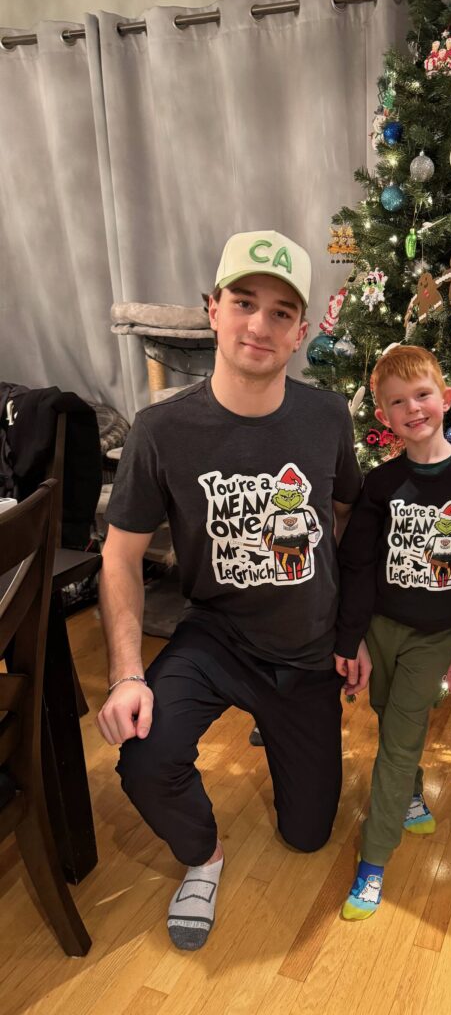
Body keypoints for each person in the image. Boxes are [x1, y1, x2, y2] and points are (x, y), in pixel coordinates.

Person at [96, 230, 362, 950]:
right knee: (145, 755)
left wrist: (348, 626)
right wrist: (126, 674)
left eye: (281, 312)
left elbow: (347, 514)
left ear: (301, 333)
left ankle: (280, 729)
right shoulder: (161, 431)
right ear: (212, 309)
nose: (259, 324)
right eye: (244, 302)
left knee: (308, 836)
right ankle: (203, 858)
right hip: (214, 638)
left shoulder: (327, 417)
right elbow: (118, 560)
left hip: (307, 654)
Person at [334, 345, 451, 920]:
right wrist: (351, 639)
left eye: (423, 395)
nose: (414, 408)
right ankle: (406, 792)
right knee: (383, 713)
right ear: (382, 418)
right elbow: (355, 565)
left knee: (399, 740)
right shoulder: (380, 485)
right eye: (397, 403)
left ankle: (374, 860)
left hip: (433, 636)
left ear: (447, 399)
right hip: (379, 631)